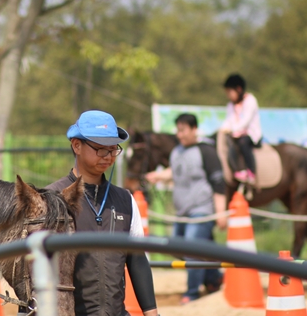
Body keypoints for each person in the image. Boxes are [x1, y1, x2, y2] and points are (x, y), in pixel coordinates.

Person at [47, 110, 158, 316]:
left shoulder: (125, 200)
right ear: (76, 145)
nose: (108, 156)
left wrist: (152, 313)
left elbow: (137, 260)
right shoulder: (52, 199)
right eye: (100, 149)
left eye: (113, 149)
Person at [146, 113, 226, 304]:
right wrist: (158, 177)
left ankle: (191, 293)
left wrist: (221, 212)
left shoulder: (206, 151)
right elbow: (176, 172)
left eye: (183, 130)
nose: (179, 134)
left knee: (191, 249)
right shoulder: (177, 152)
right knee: (180, 248)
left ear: (194, 129)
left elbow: (218, 183)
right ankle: (214, 279)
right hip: (181, 212)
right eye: (178, 130)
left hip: (201, 210)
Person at [220, 73, 262, 184]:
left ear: (238, 89)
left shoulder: (250, 100)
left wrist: (231, 129)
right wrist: (223, 128)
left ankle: (251, 172)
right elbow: (229, 120)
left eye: (229, 92)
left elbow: (246, 120)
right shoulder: (230, 105)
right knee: (229, 144)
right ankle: (238, 169)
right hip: (236, 134)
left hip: (251, 134)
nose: (228, 95)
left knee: (243, 143)